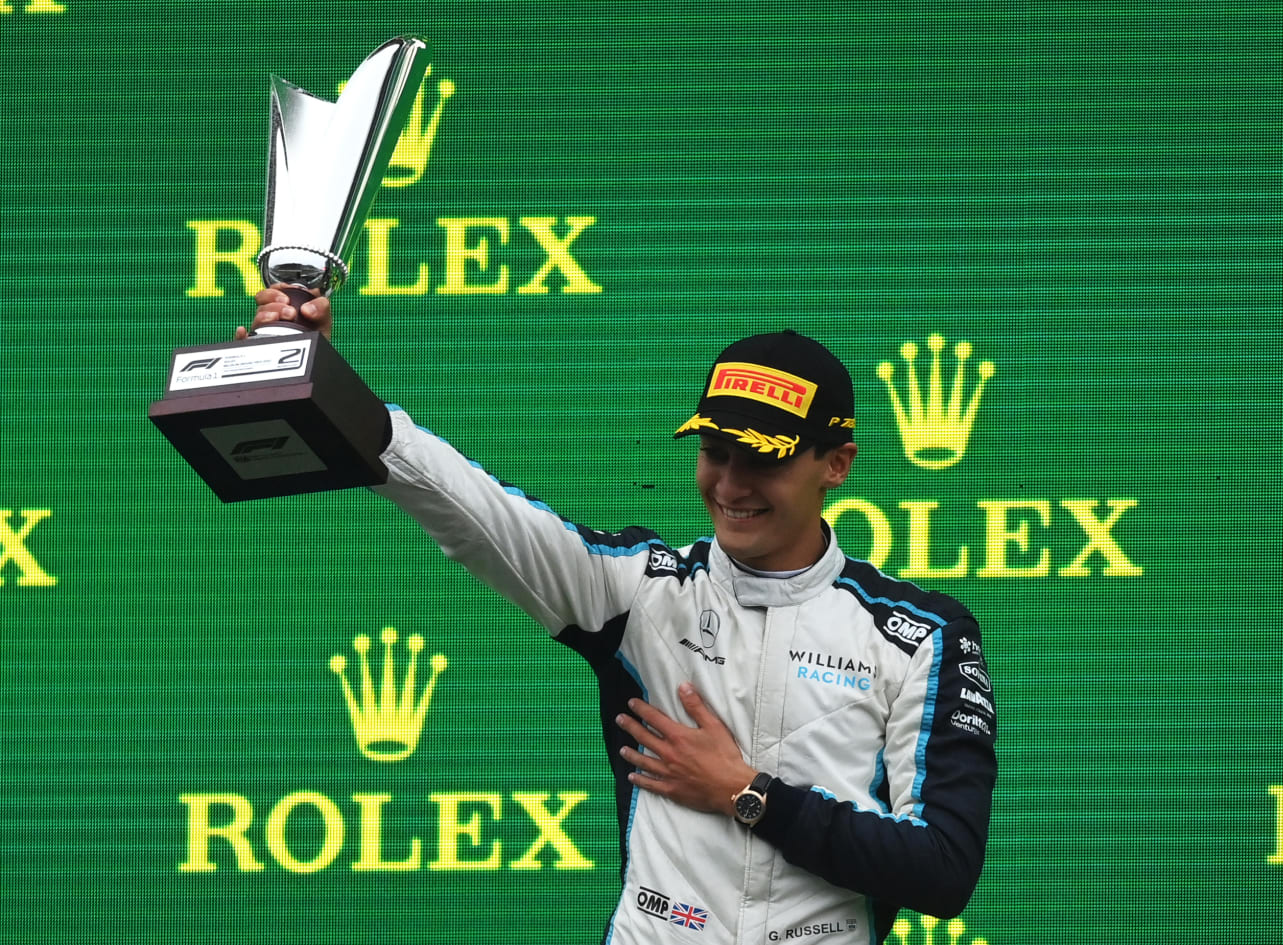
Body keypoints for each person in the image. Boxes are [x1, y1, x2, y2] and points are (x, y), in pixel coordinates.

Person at [244, 290, 998, 944]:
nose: (731, 483)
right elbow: (470, 508)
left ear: (837, 463)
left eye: (763, 457)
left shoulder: (920, 634)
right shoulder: (643, 588)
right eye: (714, 450)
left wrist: (748, 791)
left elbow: (943, 869)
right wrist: (319, 382)